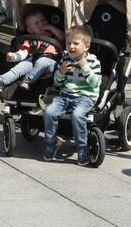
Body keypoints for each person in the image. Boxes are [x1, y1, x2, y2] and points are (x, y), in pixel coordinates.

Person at [43, 25, 101, 165]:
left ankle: (82, 146)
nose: (71, 46)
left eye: (76, 43)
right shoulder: (65, 59)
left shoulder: (93, 61)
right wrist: (61, 72)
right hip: (66, 94)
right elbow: (57, 83)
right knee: (49, 111)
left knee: (77, 115)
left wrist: (85, 67)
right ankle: (52, 142)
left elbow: (96, 83)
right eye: (68, 43)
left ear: (86, 46)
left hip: (86, 96)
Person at [0, 10, 64, 92]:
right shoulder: (30, 39)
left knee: (42, 61)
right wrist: (15, 56)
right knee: (21, 66)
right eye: (37, 23)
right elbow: (24, 53)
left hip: (51, 62)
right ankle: (1, 81)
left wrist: (51, 28)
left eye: (43, 20)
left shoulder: (54, 35)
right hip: (33, 60)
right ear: (30, 30)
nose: (41, 24)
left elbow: (63, 37)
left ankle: (28, 80)